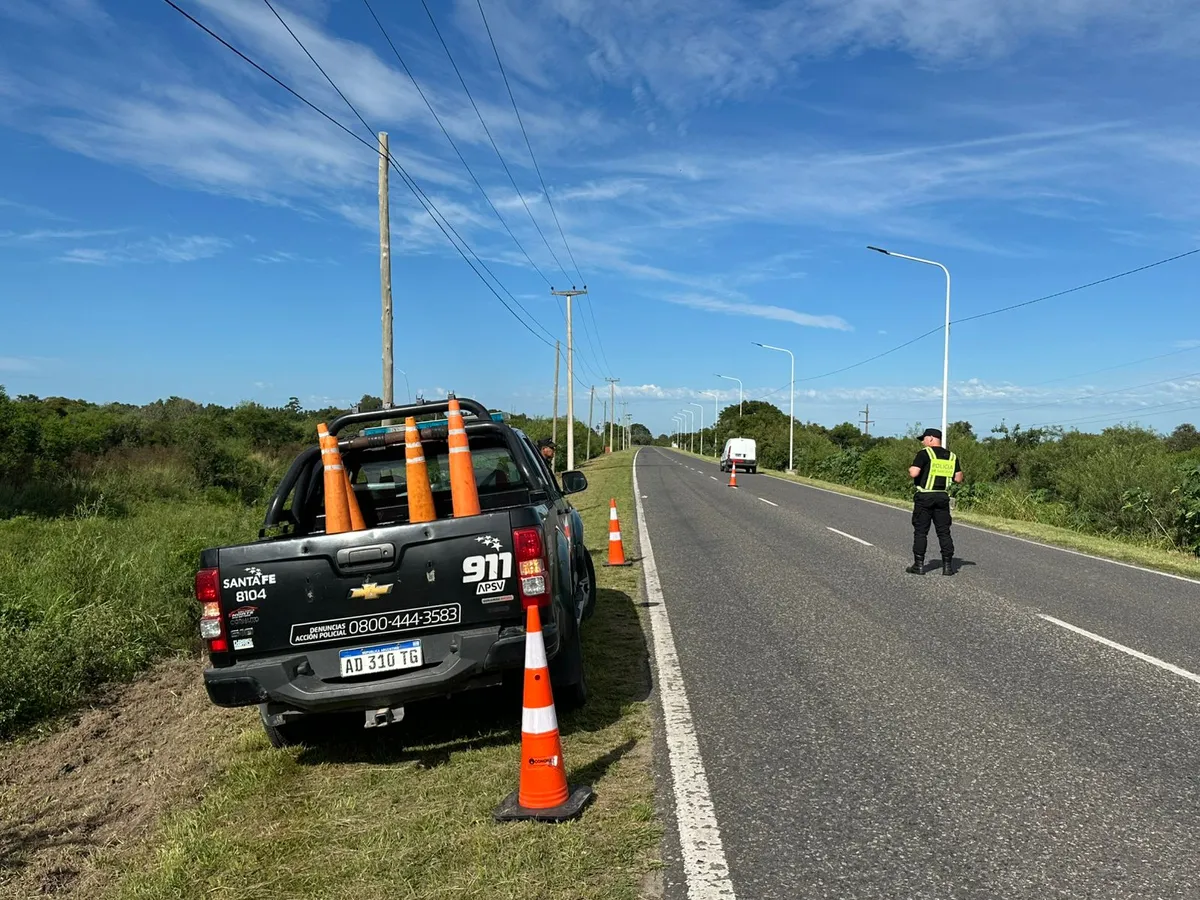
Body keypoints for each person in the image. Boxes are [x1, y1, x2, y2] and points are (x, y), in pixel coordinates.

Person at [907, 427, 962, 576]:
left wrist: (910, 469)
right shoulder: (951, 456)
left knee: (921, 532)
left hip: (925, 497)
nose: (922, 442)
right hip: (942, 497)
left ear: (931, 438)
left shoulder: (924, 454)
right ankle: (948, 567)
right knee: (944, 532)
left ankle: (918, 566)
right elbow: (958, 478)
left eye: (924, 439)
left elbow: (914, 473)